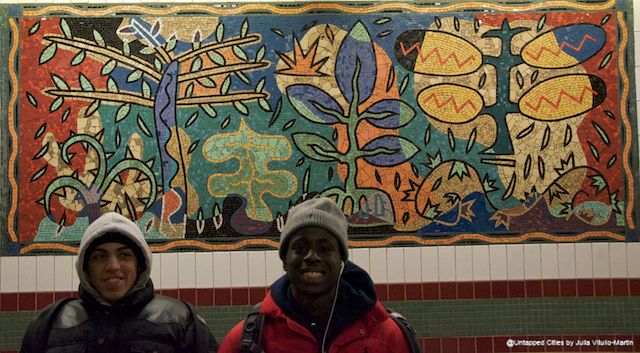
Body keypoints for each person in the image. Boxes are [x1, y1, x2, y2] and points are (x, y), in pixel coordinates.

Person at [218, 197, 417, 353]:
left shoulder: (386, 334)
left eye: (324, 248)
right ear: (285, 260)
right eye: (300, 247)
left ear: (341, 260)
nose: (312, 257)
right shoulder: (247, 340)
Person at [21, 212, 218, 353]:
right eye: (99, 256)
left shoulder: (181, 321)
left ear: (139, 264)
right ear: (85, 268)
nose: (112, 266)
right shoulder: (49, 324)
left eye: (124, 255)